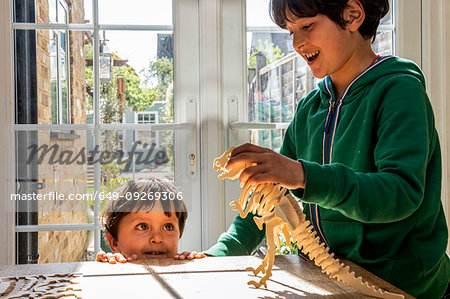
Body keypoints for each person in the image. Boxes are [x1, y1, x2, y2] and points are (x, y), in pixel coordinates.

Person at [204, 0, 450, 298]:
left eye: (307, 26)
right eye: (290, 31)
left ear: (353, 15)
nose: (297, 42)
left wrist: (303, 176)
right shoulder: (309, 109)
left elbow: (400, 193)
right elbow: (271, 197)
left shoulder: (400, 91)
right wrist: (217, 255)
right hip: (323, 279)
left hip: (401, 284)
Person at [96, 178, 205, 263]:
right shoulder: (112, 268)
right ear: (114, 242)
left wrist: (195, 263)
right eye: (143, 226)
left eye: (168, 227)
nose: (157, 239)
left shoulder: (184, 264)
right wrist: (108, 265)